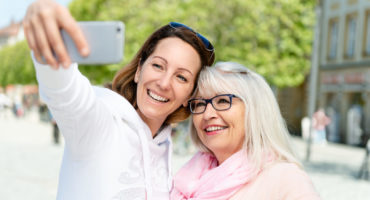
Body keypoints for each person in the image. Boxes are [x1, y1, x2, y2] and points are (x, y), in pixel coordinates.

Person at [23, 0, 215, 199]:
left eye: (181, 77)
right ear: (139, 70)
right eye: (158, 66)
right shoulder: (99, 123)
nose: (164, 83)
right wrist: (44, 23)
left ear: (190, 96)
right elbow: (63, 89)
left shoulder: (164, 145)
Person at [171, 62, 320, 200]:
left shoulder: (286, 179)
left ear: (255, 110)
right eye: (199, 104)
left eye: (222, 101)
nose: (207, 114)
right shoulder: (189, 176)